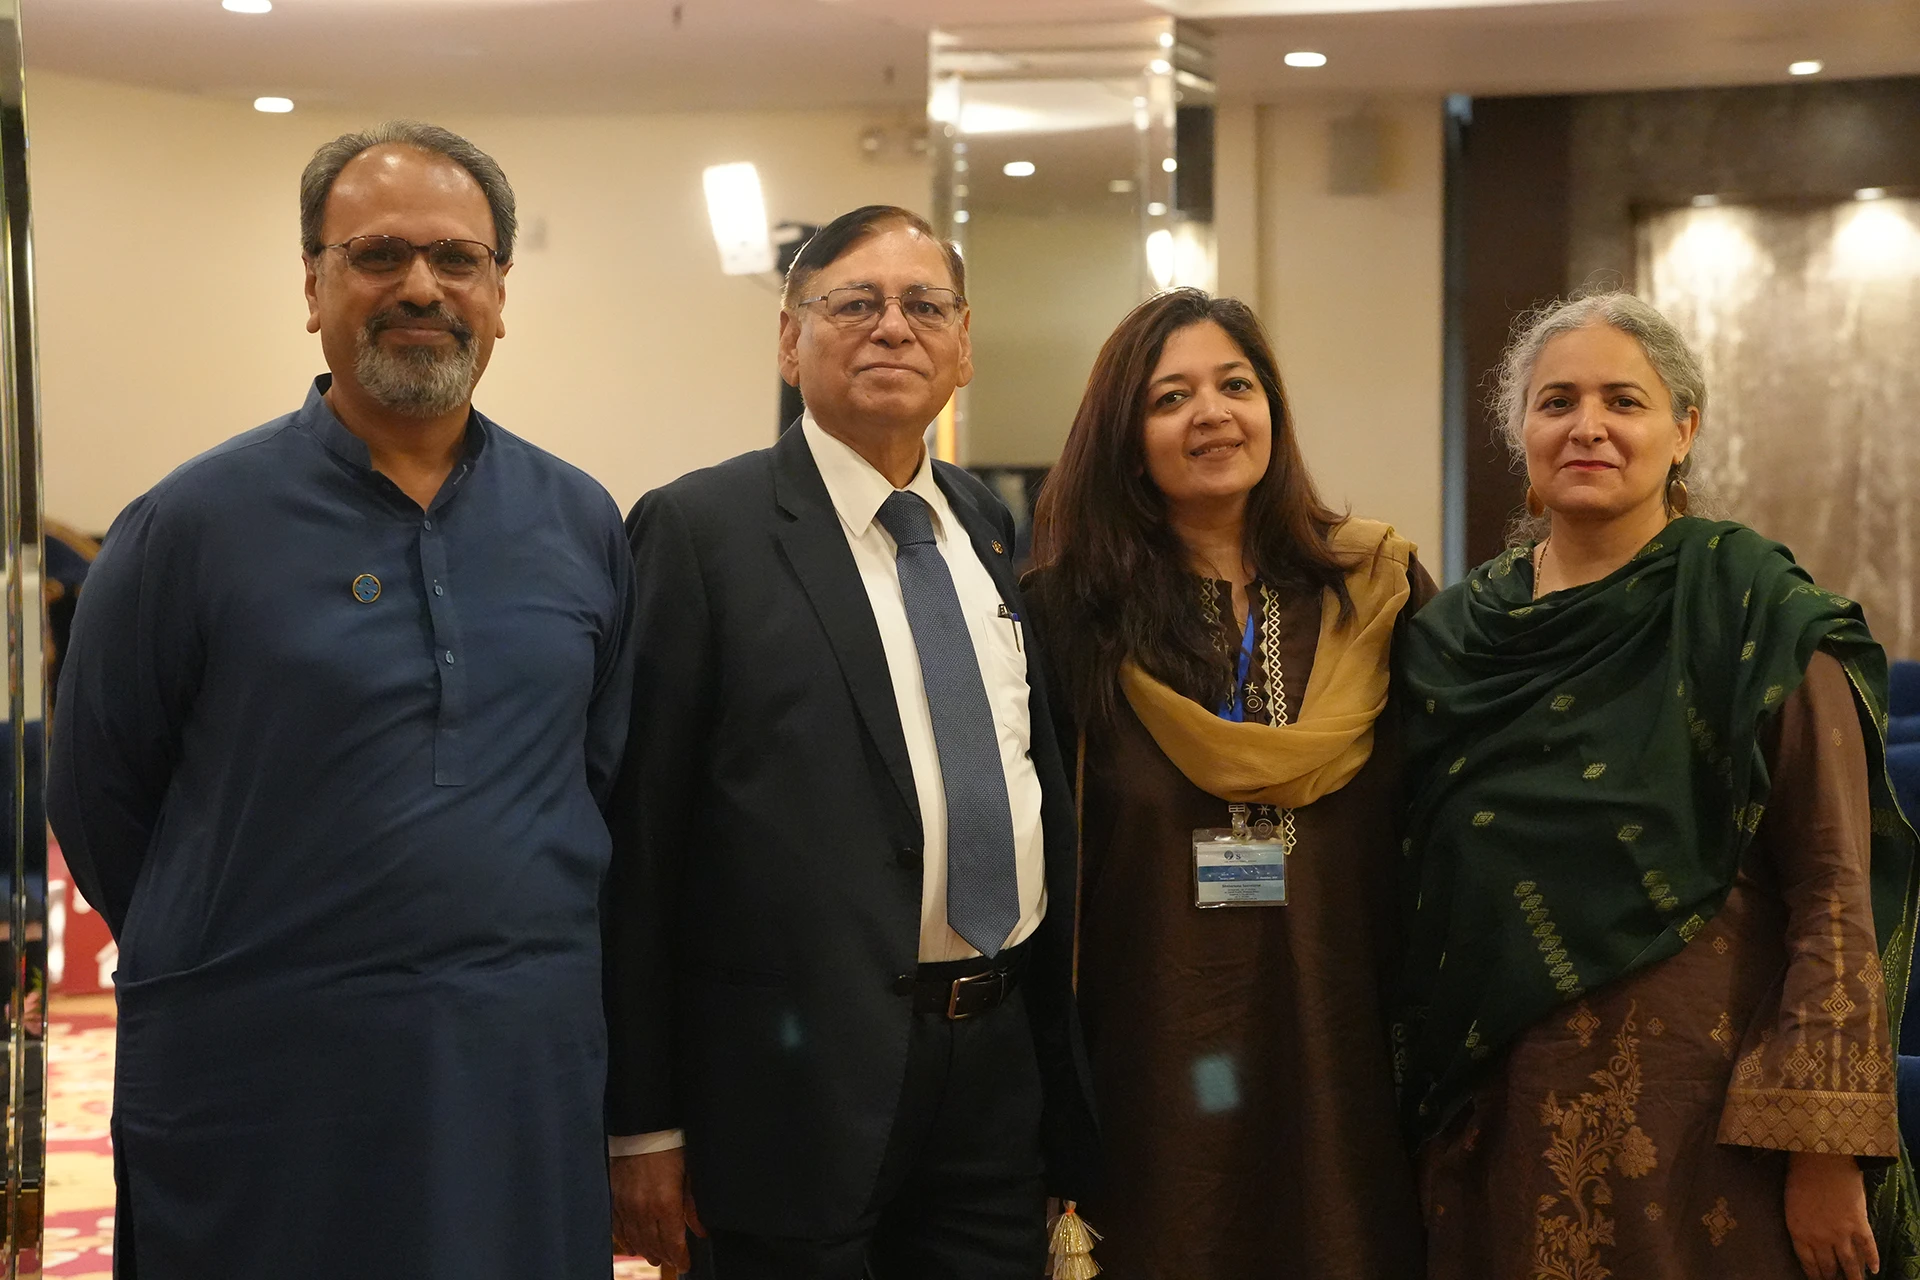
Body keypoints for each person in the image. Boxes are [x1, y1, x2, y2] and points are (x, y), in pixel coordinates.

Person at [47, 122, 637, 1279]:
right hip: (263, 1082)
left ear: (500, 294)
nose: (421, 286)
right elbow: (100, 798)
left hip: (514, 1075)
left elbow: (601, 783)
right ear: (313, 285)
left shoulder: (579, 521)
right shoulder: (188, 527)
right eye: (377, 254)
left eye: (457, 259)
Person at [603, 204, 1097, 1280]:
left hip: (994, 1065)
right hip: (788, 1087)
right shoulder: (699, 530)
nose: (893, 327)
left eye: (925, 306)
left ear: (963, 344)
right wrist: (642, 1123)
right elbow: (639, 842)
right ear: (790, 339)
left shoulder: (985, 524)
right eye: (855, 303)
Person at [1395, 291, 1920, 1280]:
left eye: (1623, 401)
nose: (1587, 426)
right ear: (1521, 433)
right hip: (1497, 1127)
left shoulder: (1756, 612)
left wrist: (1825, 1148)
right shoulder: (1453, 641)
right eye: (1557, 401)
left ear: (1684, 430)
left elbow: (1832, 891)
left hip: (1703, 1131)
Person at [1021, 288, 1432, 1278]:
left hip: (1342, 1038)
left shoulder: (1376, 592)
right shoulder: (1067, 618)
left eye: (1236, 386)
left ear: (1273, 411)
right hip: (1149, 1051)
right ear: (1126, 441)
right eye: (1171, 397)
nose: (1212, 413)